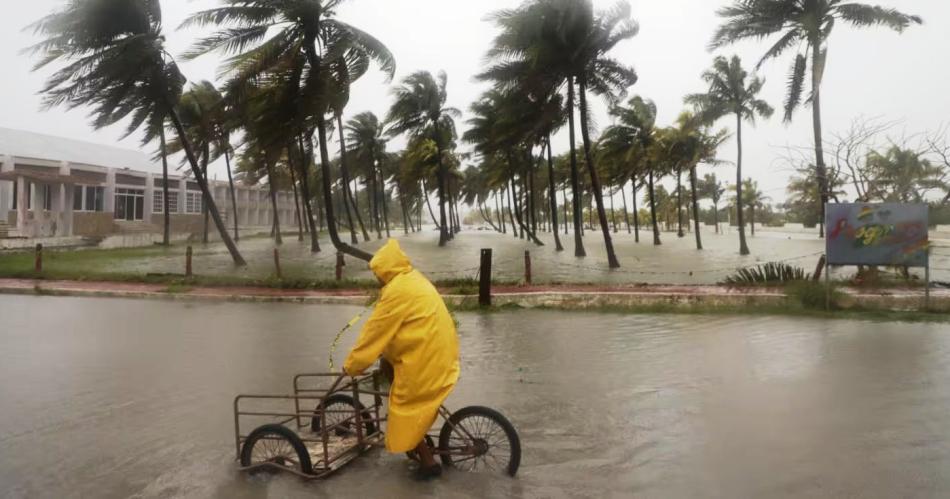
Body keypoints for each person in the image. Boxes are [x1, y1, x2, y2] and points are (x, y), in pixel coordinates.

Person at [343, 239, 460, 479]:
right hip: (441, 353)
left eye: (377, 274)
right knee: (388, 365)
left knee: (403, 409)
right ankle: (420, 439)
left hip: (426, 360)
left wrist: (352, 366)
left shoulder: (396, 292)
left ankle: (428, 464)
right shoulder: (413, 278)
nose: (376, 279)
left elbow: (373, 334)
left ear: (386, 270)